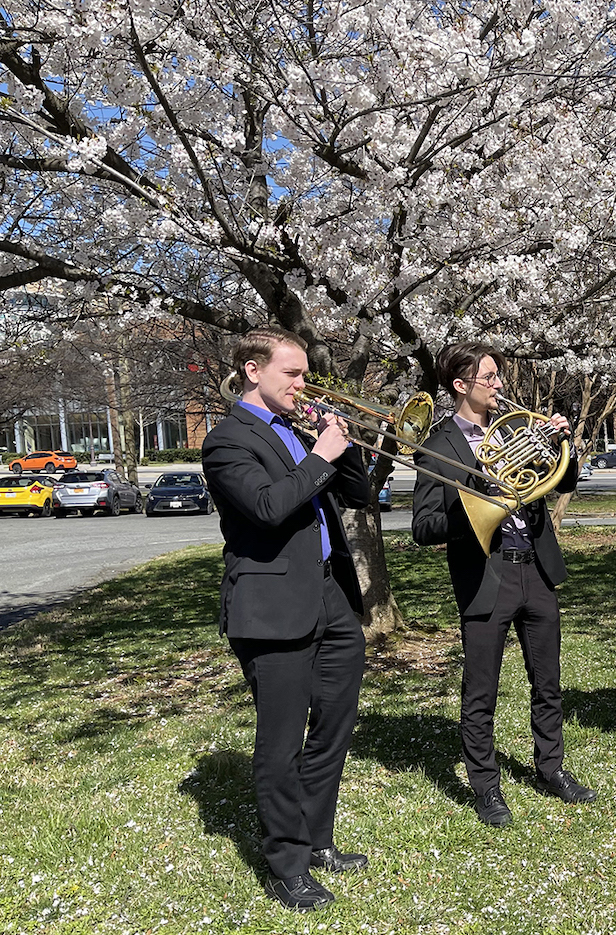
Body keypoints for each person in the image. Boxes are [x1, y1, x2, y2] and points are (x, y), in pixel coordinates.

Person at [201, 326, 373, 912]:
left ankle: (317, 838)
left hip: (329, 594)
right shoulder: (227, 440)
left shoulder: (297, 431)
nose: (304, 384)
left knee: (335, 725)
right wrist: (320, 455)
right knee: (282, 743)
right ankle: (286, 865)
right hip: (271, 608)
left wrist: (340, 448)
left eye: (303, 373)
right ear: (254, 371)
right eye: (292, 374)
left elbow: (359, 497)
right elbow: (270, 508)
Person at [410, 342, 594, 826]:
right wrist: (475, 500)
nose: (498, 385)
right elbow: (423, 525)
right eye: (489, 377)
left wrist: (561, 445)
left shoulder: (516, 431)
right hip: (485, 574)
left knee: (547, 681)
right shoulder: (439, 444)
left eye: (497, 376)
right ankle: (486, 787)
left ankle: (551, 768)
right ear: (460, 385)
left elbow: (564, 481)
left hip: (535, 566)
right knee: (481, 690)